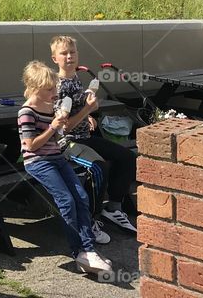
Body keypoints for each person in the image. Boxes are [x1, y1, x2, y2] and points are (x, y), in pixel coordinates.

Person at [19, 60, 113, 275]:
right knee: (67, 201)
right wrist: (53, 126)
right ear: (35, 89)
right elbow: (31, 146)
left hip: (56, 158)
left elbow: (59, 136)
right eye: (49, 89)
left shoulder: (51, 107)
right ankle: (77, 251)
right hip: (38, 162)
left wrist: (64, 123)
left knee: (81, 197)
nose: (55, 92)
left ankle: (88, 250)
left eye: (55, 87)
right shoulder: (26, 112)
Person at [51, 35, 138, 233]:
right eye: (64, 53)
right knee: (99, 168)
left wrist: (87, 117)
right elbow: (63, 129)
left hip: (85, 138)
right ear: (55, 58)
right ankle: (89, 219)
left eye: (72, 52)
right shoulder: (58, 86)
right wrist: (87, 111)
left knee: (127, 157)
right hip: (68, 143)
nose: (69, 57)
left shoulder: (74, 78)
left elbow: (75, 110)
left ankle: (113, 208)